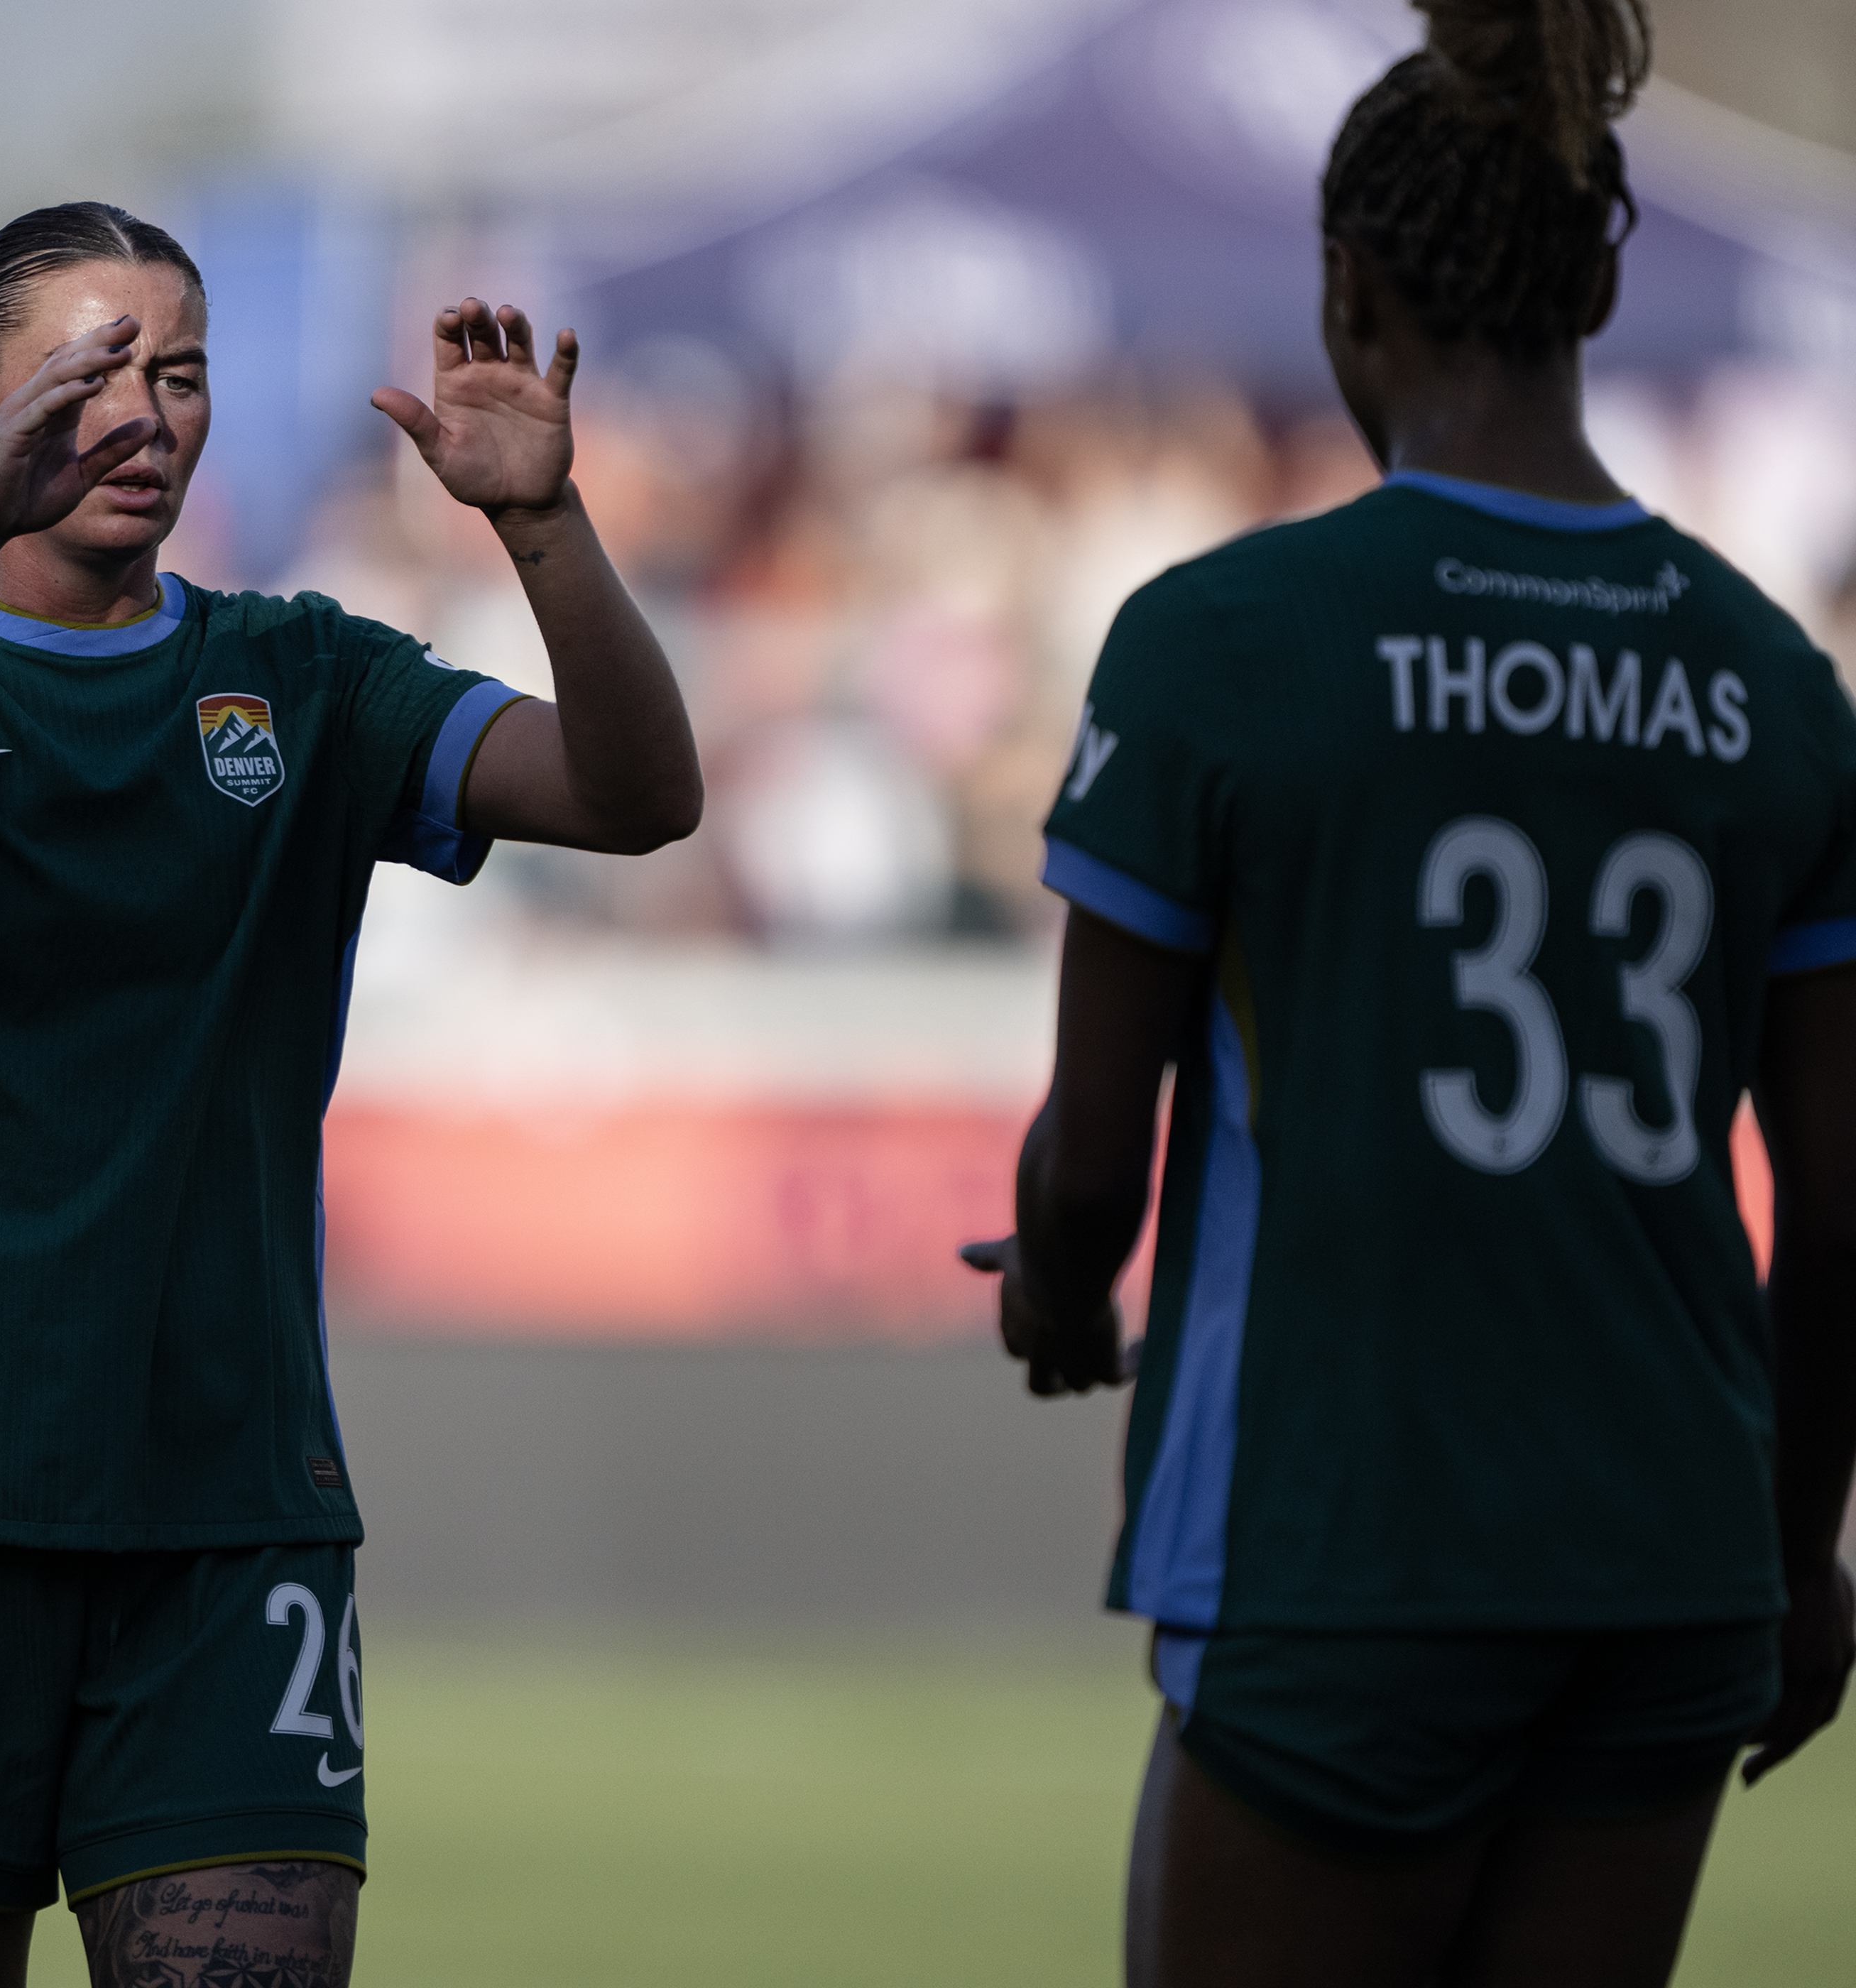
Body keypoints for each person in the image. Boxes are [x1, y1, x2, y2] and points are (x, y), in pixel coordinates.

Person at [0, 200, 702, 1985]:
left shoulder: (306, 674)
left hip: (225, 1513)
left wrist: (542, 526)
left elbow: (636, 798)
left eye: (180, 373)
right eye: (88, 373)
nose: (143, 413)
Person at [961, 3, 1856, 1982]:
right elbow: (1844, 1208)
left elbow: (1092, 1160)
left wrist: (1057, 1293)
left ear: (1348, 287)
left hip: (1349, 1543)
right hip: (1672, 1564)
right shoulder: (1774, 682)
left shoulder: (1222, 640)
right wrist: (1799, 1556)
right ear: (1596, 285)